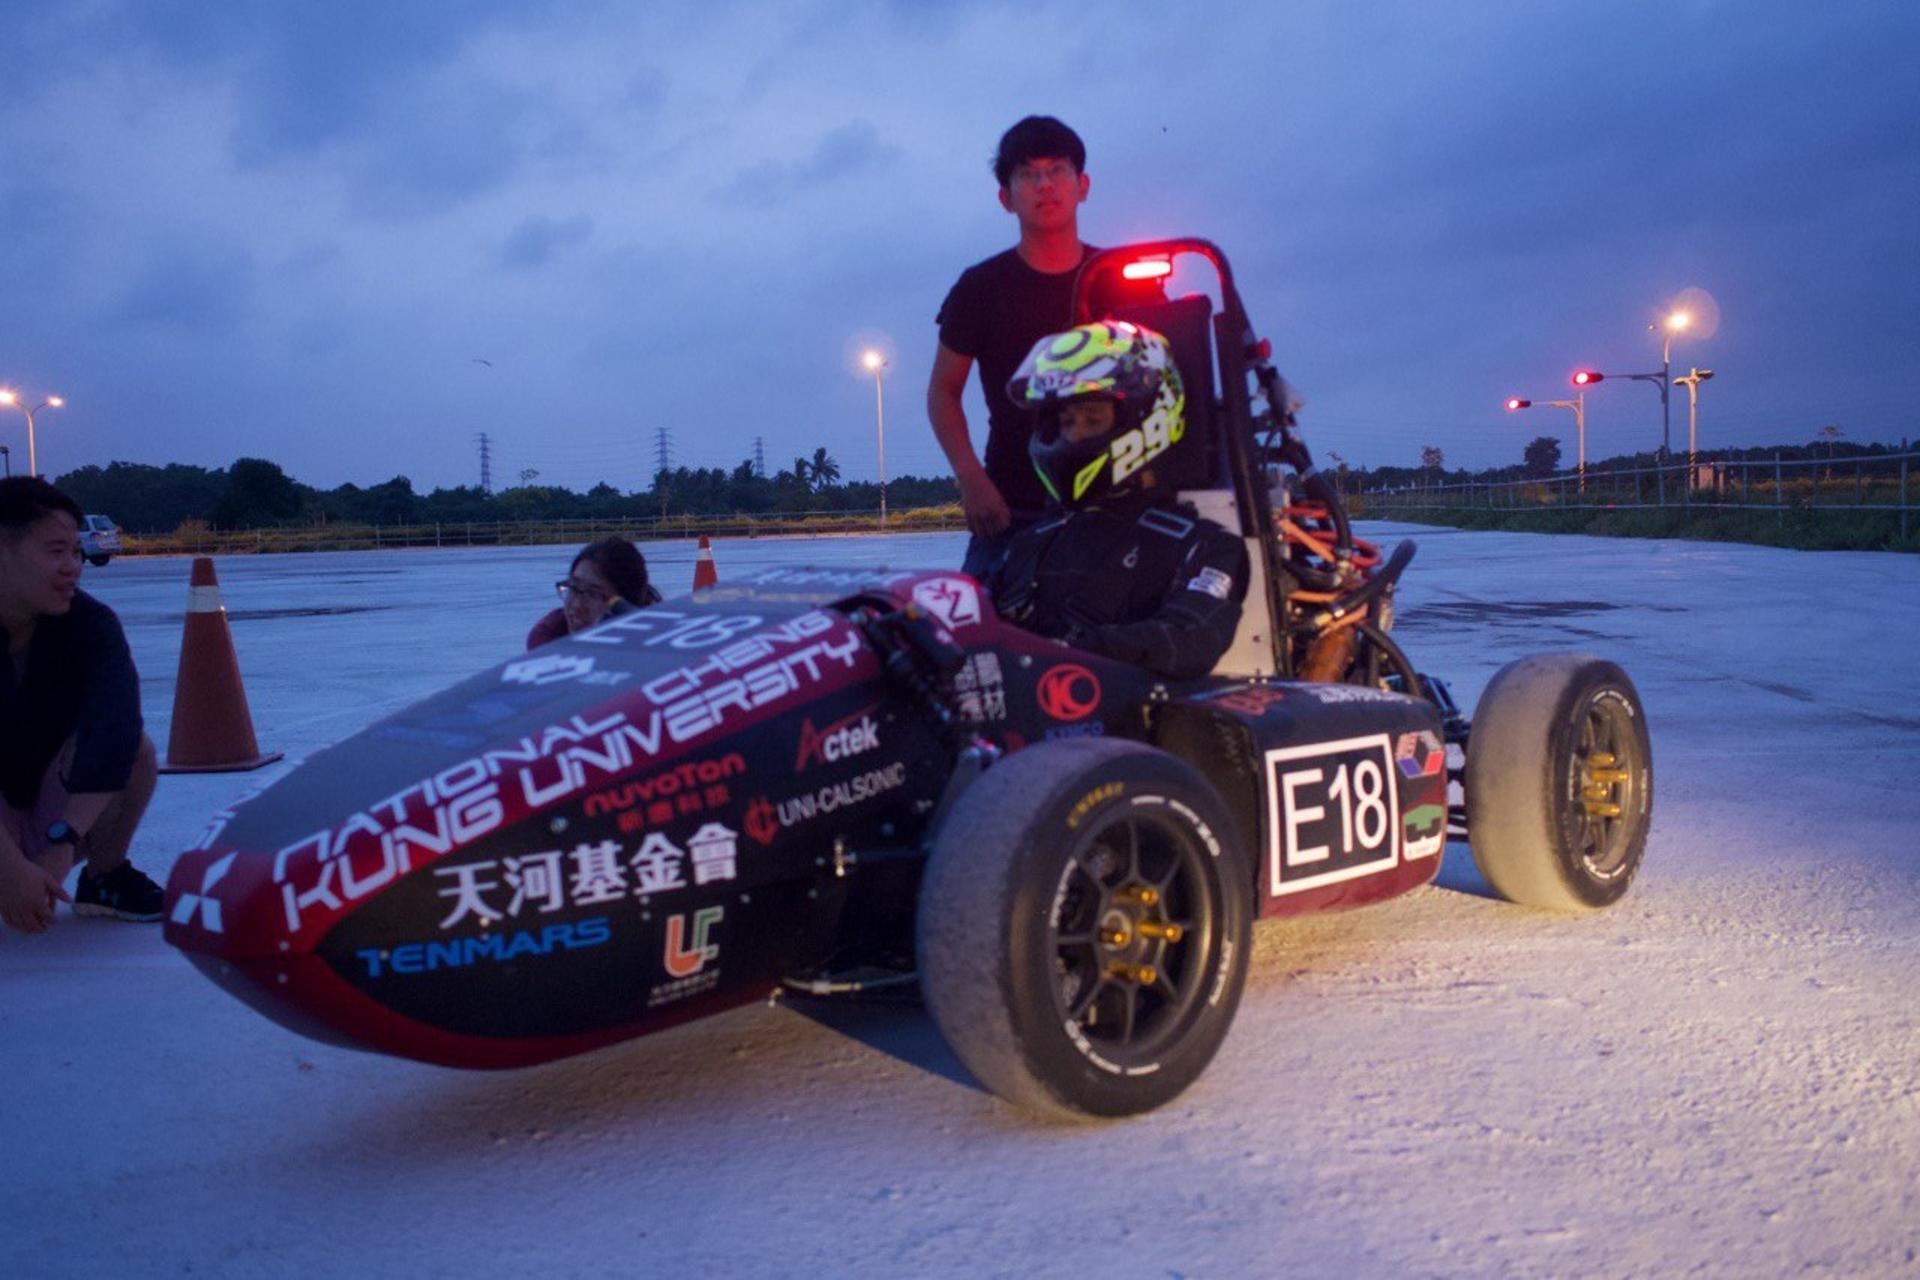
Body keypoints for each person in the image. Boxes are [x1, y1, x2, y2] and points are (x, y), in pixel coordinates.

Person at [985, 321, 1248, 680]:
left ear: (1147, 418)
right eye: (1066, 422)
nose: (1075, 435)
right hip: (1019, 725)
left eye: (1092, 420)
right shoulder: (1032, 543)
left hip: (1136, 727)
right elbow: (975, 623)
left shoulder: (1206, 547)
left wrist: (1069, 654)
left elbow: (1188, 641)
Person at [930, 115, 1101, 579]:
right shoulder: (981, 288)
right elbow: (943, 392)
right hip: (1012, 507)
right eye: (1028, 174)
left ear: (1082, 184)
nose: (1045, 185)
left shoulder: (1121, 279)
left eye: (1058, 170)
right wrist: (972, 482)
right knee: (974, 635)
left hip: (1113, 504)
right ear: (1006, 198)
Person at [1, 477, 162, 932]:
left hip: (45, 817)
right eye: (56, 551)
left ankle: (105, 875)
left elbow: (117, 728)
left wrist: (60, 848)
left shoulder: (90, 625)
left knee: (137, 750)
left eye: (76, 552)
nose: (73, 566)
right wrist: (9, 872)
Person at [527, 537, 662, 649]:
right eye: (573, 588)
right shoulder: (548, 641)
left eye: (593, 594)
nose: (576, 607)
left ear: (625, 605)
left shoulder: (660, 647)